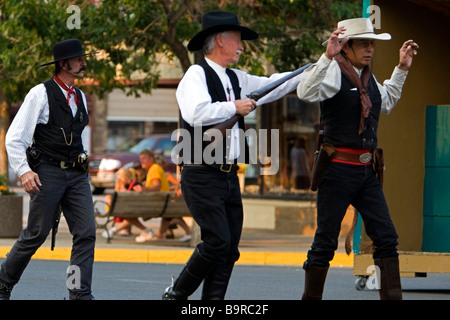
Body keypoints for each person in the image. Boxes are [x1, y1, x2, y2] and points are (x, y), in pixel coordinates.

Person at [163, 10, 305, 300]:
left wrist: (320, 64)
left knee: (228, 250)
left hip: (228, 176)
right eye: (238, 39)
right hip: (200, 171)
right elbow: (196, 111)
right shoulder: (196, 74)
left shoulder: (236, 77)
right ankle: (175, 295)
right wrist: (234, 107)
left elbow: (275, 84)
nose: (242, 45)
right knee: (216, 242)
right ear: (219, 40)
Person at [296, 18, 419, 300]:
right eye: (363, 43)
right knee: (325, 243)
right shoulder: (332, 72)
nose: (370, 49)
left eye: (372, 43)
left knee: (387, 239)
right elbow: (305, 92)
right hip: (337, 169)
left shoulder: (367, 77)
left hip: (367, 172)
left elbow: (385, 102)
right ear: (345, 46)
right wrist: (326, 56)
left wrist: (401, 68)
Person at [0, 39, 99, 300]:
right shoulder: (40, 93)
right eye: (78, 59)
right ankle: (2, 283)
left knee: (86, 232)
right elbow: (15, 138)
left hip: (77, 175)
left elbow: (79, 136)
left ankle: (79, 294)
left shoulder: (80, 97)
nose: (83, 62)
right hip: (48, 172)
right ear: (63, 64)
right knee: (35, 235)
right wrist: (24, 171)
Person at [133, 149, 170, 242]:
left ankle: (146, 231)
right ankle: (160, 234)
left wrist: (143, 189)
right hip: (166, 204)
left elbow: (157, 186)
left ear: (151, 159)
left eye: (144, 158)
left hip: (158, 204)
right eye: (140, 159)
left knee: (126, 211)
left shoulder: (154, 169)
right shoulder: (153, 169)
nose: (141, 161)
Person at [153, 153, 192, 242]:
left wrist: (176, 188)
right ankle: (164, 233)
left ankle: (187, 232)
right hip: (166, 201)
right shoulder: (161, 174)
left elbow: (178, 183)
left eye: (160, 164)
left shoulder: (166, 174)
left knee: (172, 215)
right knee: (170, 214)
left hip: (169, 201)